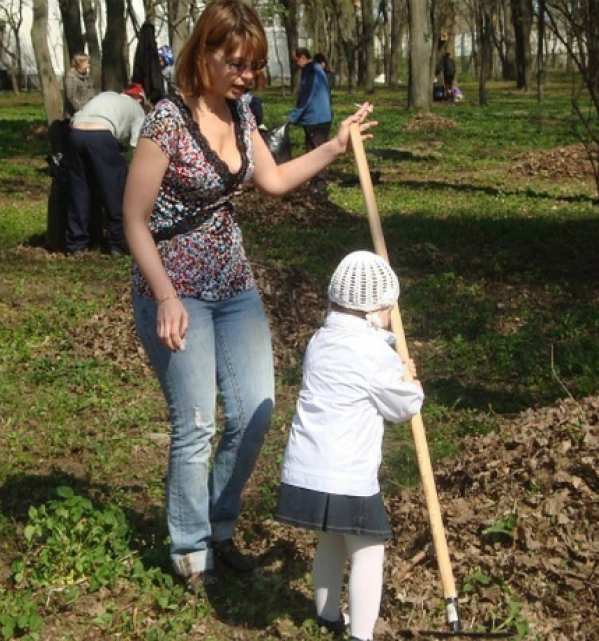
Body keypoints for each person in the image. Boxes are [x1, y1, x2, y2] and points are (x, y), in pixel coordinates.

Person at [122, 0, 376, 595]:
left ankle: (218, 524)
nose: (246, 76)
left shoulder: (242, 117)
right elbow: (131, 219)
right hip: (174, 288)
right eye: (235, 63)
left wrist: (336, 146)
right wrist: (164, 296)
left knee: (257, 408)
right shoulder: (165, 121)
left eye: (254, 67)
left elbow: (275, 180)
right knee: (193, 425)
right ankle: (189, 550)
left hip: (234, 286)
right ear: (204, 54)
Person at [275, 251, 424, 641]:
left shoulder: (320, 340)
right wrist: (409, 380)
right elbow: (402, 406)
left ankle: (326, 616)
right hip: (348, 474)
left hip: (306, 468)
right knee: (369, 551)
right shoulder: (375, 354)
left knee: (330, 538)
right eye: (390, 310)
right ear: (375, 312)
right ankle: (362, 636)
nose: (392, 317)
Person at [65, 83, 146, 256]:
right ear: (139, 99)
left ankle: (76, 243)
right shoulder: (137, 110)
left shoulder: (107, 95)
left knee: (79, 189)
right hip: (101, 134)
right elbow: (135, 144)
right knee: (114, 191)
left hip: (76, 133)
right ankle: (118, 243)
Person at [287, 47, 333, 192]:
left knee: (317, 152)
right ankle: (315, 183)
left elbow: (306, 97)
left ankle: (320, 184)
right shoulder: (313, 70)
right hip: (316, 118)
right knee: (312, 152)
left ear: (302, 57)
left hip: (317, 119)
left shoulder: (312, 72)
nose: (296, 65)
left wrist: (293, 117)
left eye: (296, 62)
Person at [64, 53, 96, 119]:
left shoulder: (87, 77)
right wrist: (81, 109)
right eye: (87, 63)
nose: (88, 65)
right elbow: (70, 97)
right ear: (80, 64)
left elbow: (91, 92)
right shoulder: (71, 77)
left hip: (89, 113)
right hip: (75, 115)